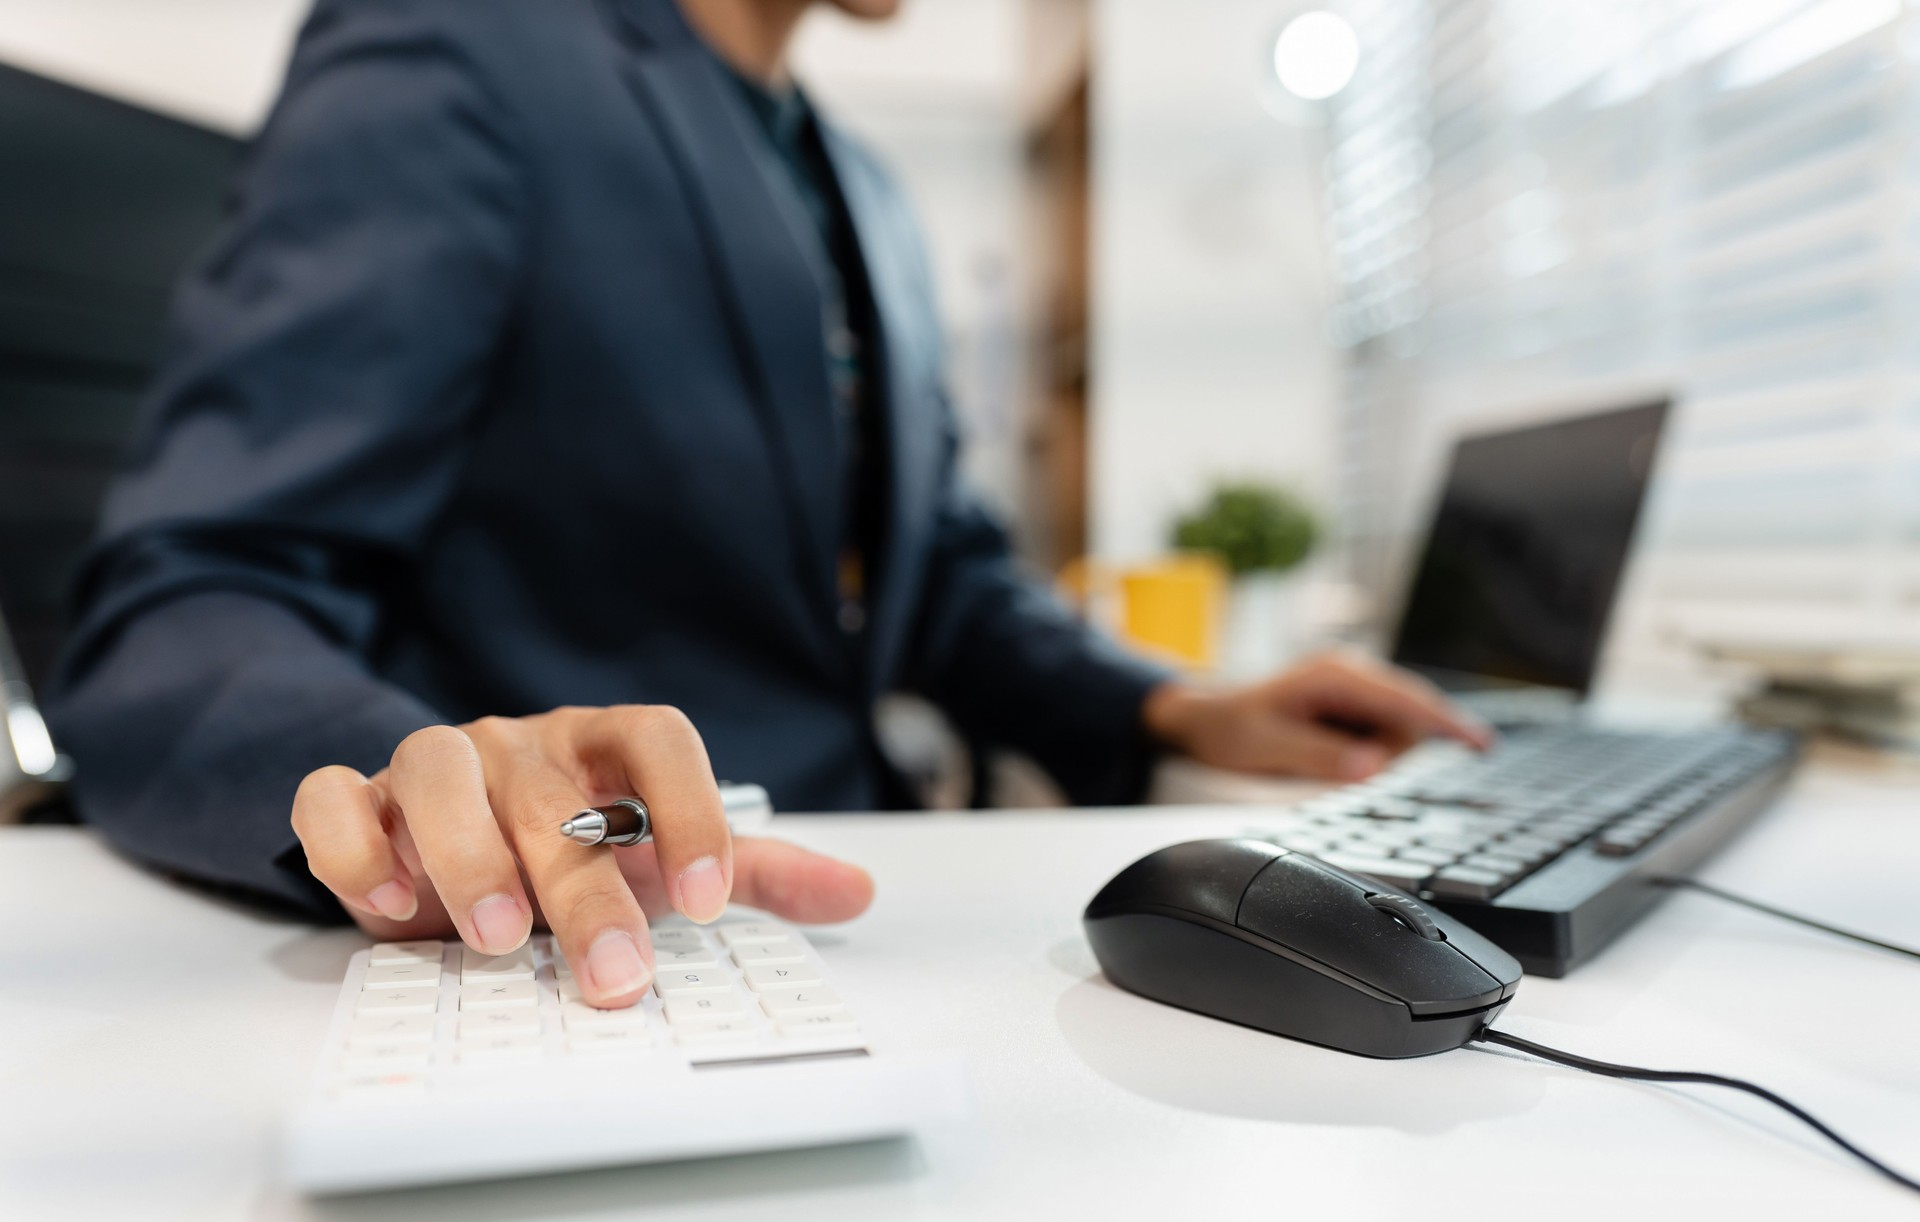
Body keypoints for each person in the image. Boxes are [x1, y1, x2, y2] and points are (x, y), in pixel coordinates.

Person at [47, 0, 1489, 1010]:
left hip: (872, 930)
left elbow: (938, 575)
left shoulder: (862, 186)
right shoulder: (455, 53)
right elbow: (194, 589)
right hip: (577, 957)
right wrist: (408, 790)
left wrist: (1176, 706)